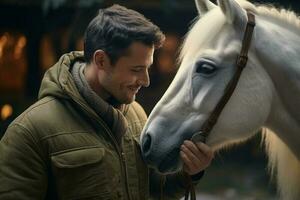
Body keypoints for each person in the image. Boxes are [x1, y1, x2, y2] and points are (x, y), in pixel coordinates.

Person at [0, 4, 214, 200]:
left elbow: (156, 190)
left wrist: (189, 173)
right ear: (101, 60)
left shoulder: (137, 114)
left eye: (147, 68)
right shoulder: (29, 132)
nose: (146, 80)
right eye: (136, 69)